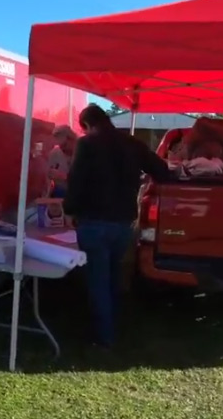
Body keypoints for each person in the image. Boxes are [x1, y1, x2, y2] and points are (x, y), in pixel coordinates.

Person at [64, 104, 176, 348]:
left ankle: (105, 337)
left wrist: (69, 210)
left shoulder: (86, 144)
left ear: (87, 125)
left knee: (97, 279)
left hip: (93, 221)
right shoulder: (132, 143)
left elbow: (76, 181)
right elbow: (162, 171)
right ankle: (116, 325)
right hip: (123, 223)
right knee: (114, 275)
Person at [47, 125, 76, 198]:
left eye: (64, 145)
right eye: (59, 146)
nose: (62, 149)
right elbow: (47, 179)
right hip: (60, 194)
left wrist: (64, 177)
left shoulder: (84, 152)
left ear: (72, 139)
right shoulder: (54, 154)